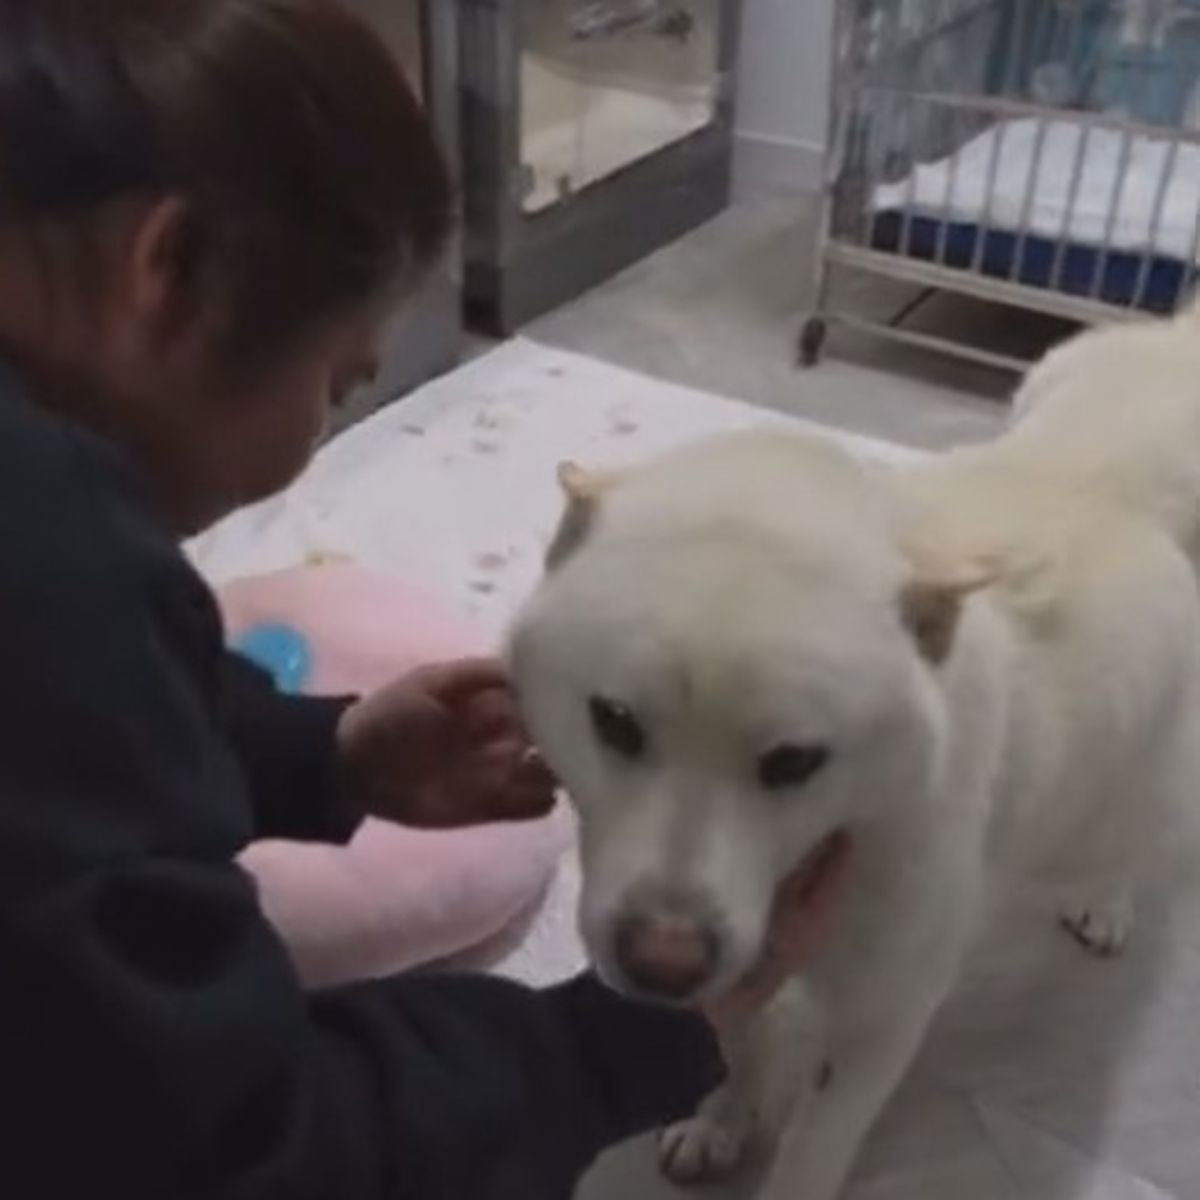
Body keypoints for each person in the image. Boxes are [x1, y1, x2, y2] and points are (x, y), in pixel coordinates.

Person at [0, 2, 848, 1197]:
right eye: (341, 385)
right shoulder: (51, 558)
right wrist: (617, 1044)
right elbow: (230, 1149)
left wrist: (321, 754)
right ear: (170, 271)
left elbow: (54, 767)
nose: (321, 429)